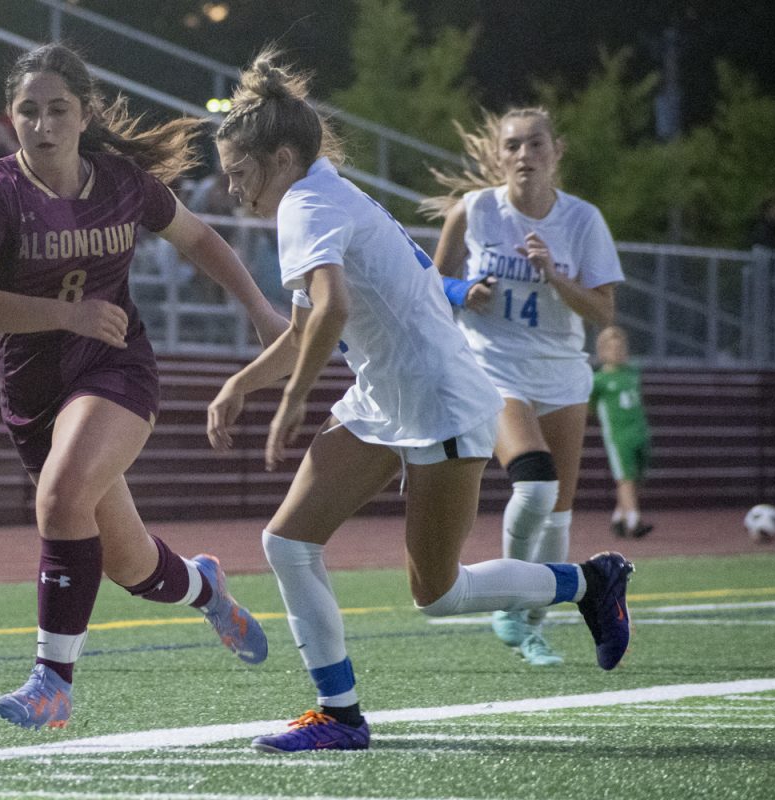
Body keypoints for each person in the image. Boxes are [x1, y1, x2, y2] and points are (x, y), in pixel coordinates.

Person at [207, 51, 634, 754]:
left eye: (239, 173)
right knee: (286, 542)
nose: (232, 190)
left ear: (280, 158)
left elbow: (332, 308)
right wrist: (242, 384)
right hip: (386, 396)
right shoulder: (318, 190)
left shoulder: (308, 203)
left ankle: (588, 581)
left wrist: (291, 402)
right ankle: (338, 714)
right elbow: (302, 326)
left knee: (437, 594)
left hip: (437, 400)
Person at [0, 43, 289, 731]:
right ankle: (205, 588)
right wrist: (65, 313)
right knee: (133, 567)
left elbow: (198, 239)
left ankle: (53, 683)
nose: (43, 125)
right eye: (28, 111)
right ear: (9, 117)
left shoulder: (123, 182)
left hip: (115, 370)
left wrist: (259, 308)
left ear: (85, 114)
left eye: (58, 110)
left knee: (62, 495)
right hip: (34, 394)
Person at [425, 107, 624, 667]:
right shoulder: (476, 209)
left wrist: (555, 276)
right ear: (497, 155)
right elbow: (432, 283)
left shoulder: (583, 220)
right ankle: (510, 607)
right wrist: (466, 292)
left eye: (535, 144)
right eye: (512, 146)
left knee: (558, 517)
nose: (523, 156)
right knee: (534, 488)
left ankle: (533, 625)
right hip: (494, 367)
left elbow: (605, 311)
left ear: (556, 151)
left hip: (562, 372)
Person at [590, 326, 653, 539]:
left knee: (636, 477)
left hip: (639, 431)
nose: (616, 352)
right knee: (625, 478)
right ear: (602, 351)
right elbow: (589, 407)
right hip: (618, 436)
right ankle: (634, 521)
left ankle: (619, 516)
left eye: (620, 347)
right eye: (611, 348)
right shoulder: (598, 380)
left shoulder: (632, 372)